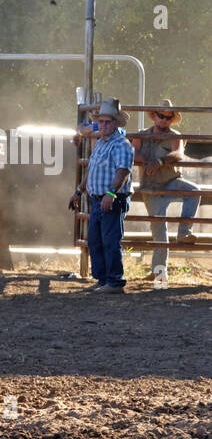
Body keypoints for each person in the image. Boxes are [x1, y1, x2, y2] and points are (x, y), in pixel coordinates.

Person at [129, 99, 200, 278]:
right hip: (150, 186)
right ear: (154, 116)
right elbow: (132, 152)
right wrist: (144, 159)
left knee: (194, 191)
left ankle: (184, 231)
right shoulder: (141, 135)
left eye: (168, 117)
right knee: (160, 232)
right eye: (161, 116)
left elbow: (178, 153)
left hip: (170, 181)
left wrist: (159, 162)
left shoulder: (176, 135)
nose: (164, 120)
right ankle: (159, 275)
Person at [69, 97, 133, 293]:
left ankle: (114, 281)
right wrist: (79, 190)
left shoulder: (121, 144)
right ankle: (103, 279)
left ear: (116, 123)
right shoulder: (101, 143)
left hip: (112, 199)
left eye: (108, 122)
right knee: (95, 240)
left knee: (110, 240)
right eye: (101, 121)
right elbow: (92, 170)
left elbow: (123, 171)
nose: (103, 125)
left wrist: (111, 193)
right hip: (97, 198)